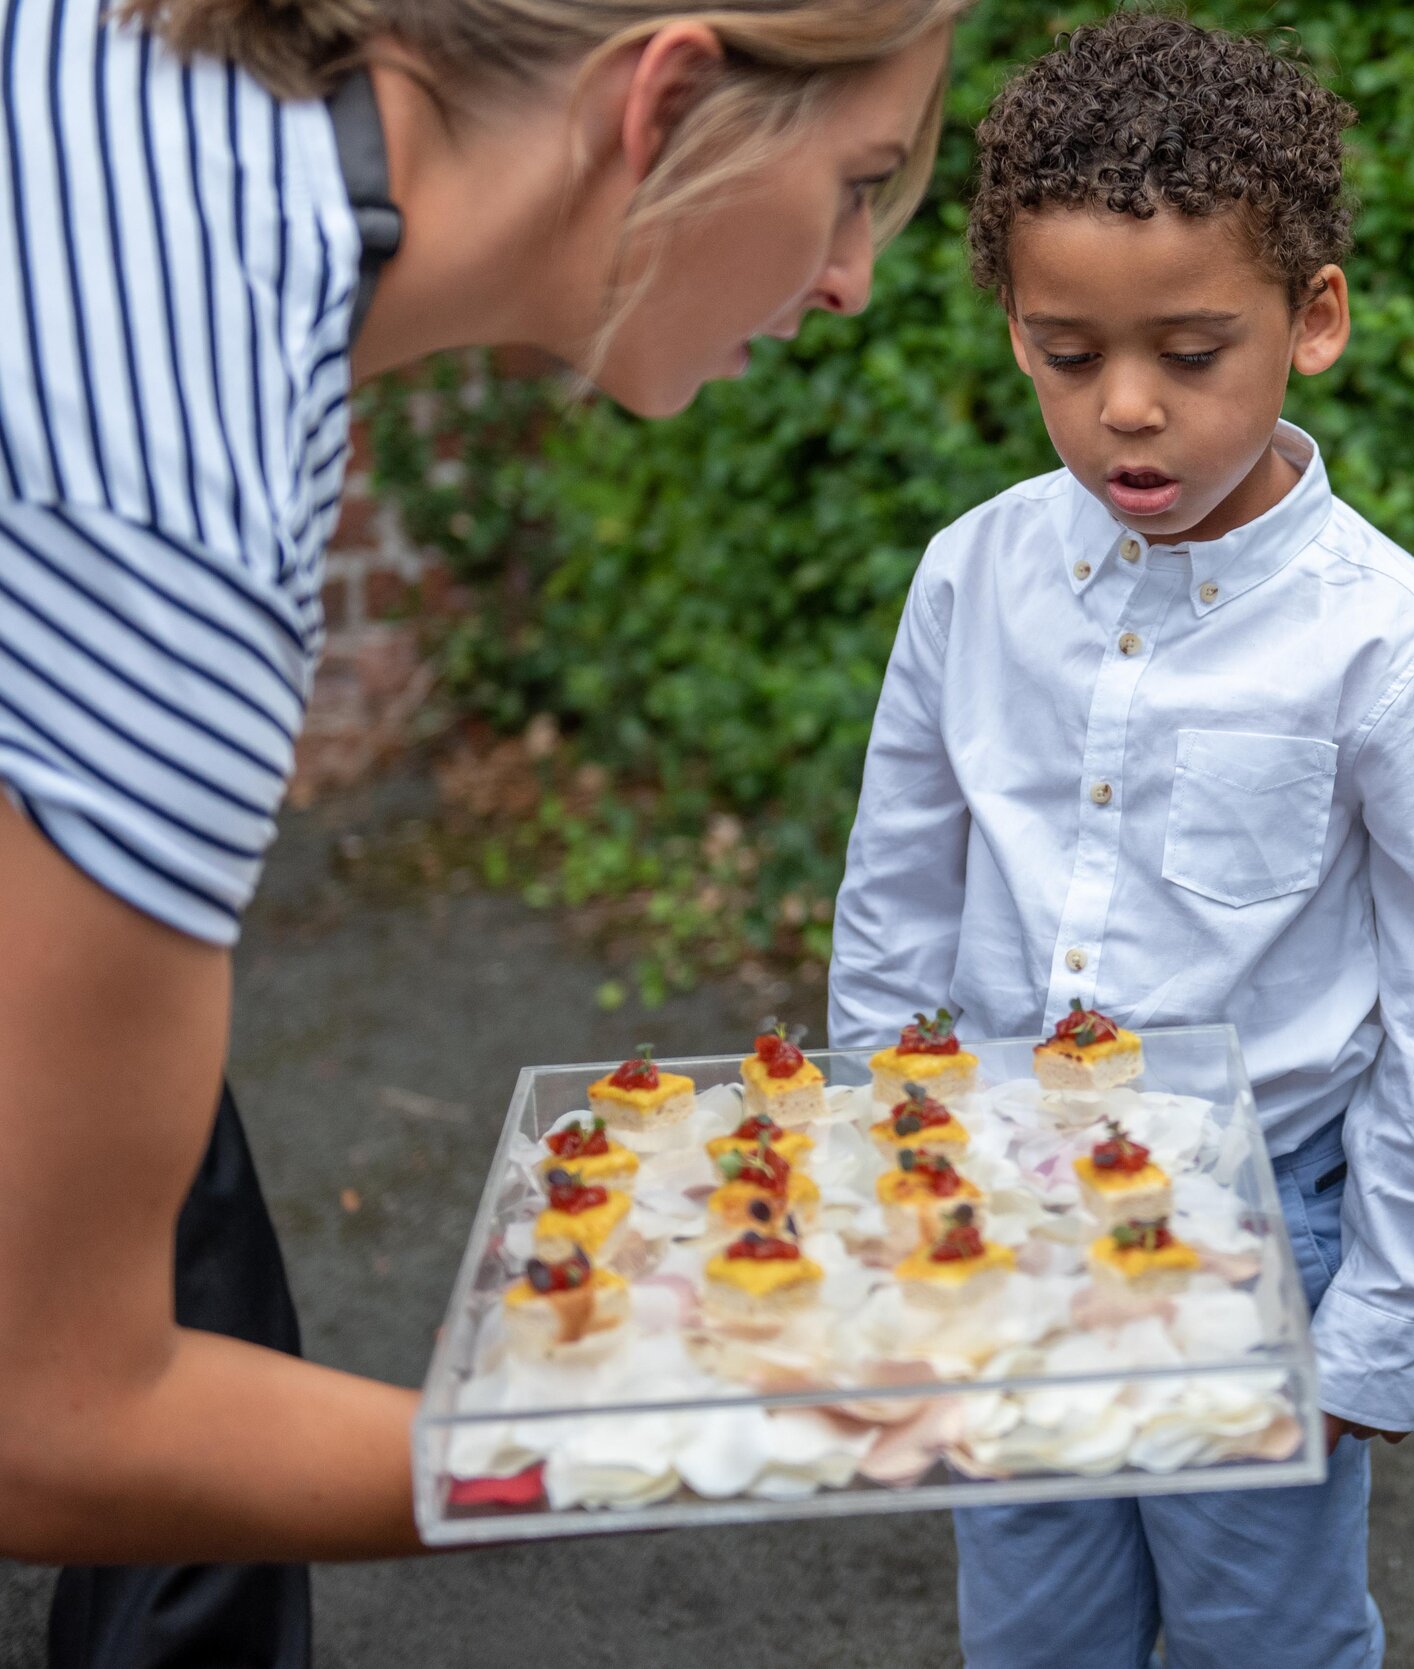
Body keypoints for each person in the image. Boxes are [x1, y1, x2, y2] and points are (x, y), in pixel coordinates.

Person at [0, 0, 962, 1662]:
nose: (855, 272)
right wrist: (683, 1435)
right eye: (860, 180)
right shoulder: (170, 510)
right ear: (663, 101)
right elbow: (54, 1413)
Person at [824, 14, 1414, 1667]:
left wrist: (1378, 1331)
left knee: (1259, 1639)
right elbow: (895, 904)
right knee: (1035, 1635)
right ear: (1014, 333)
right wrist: (884, 1196)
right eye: (1068, 355)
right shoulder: (966, 577)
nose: (1126, 408)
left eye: (1190, 353)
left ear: (1313, 320)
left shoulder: (1393, 646)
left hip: (1261, 1240)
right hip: (996, 1206)